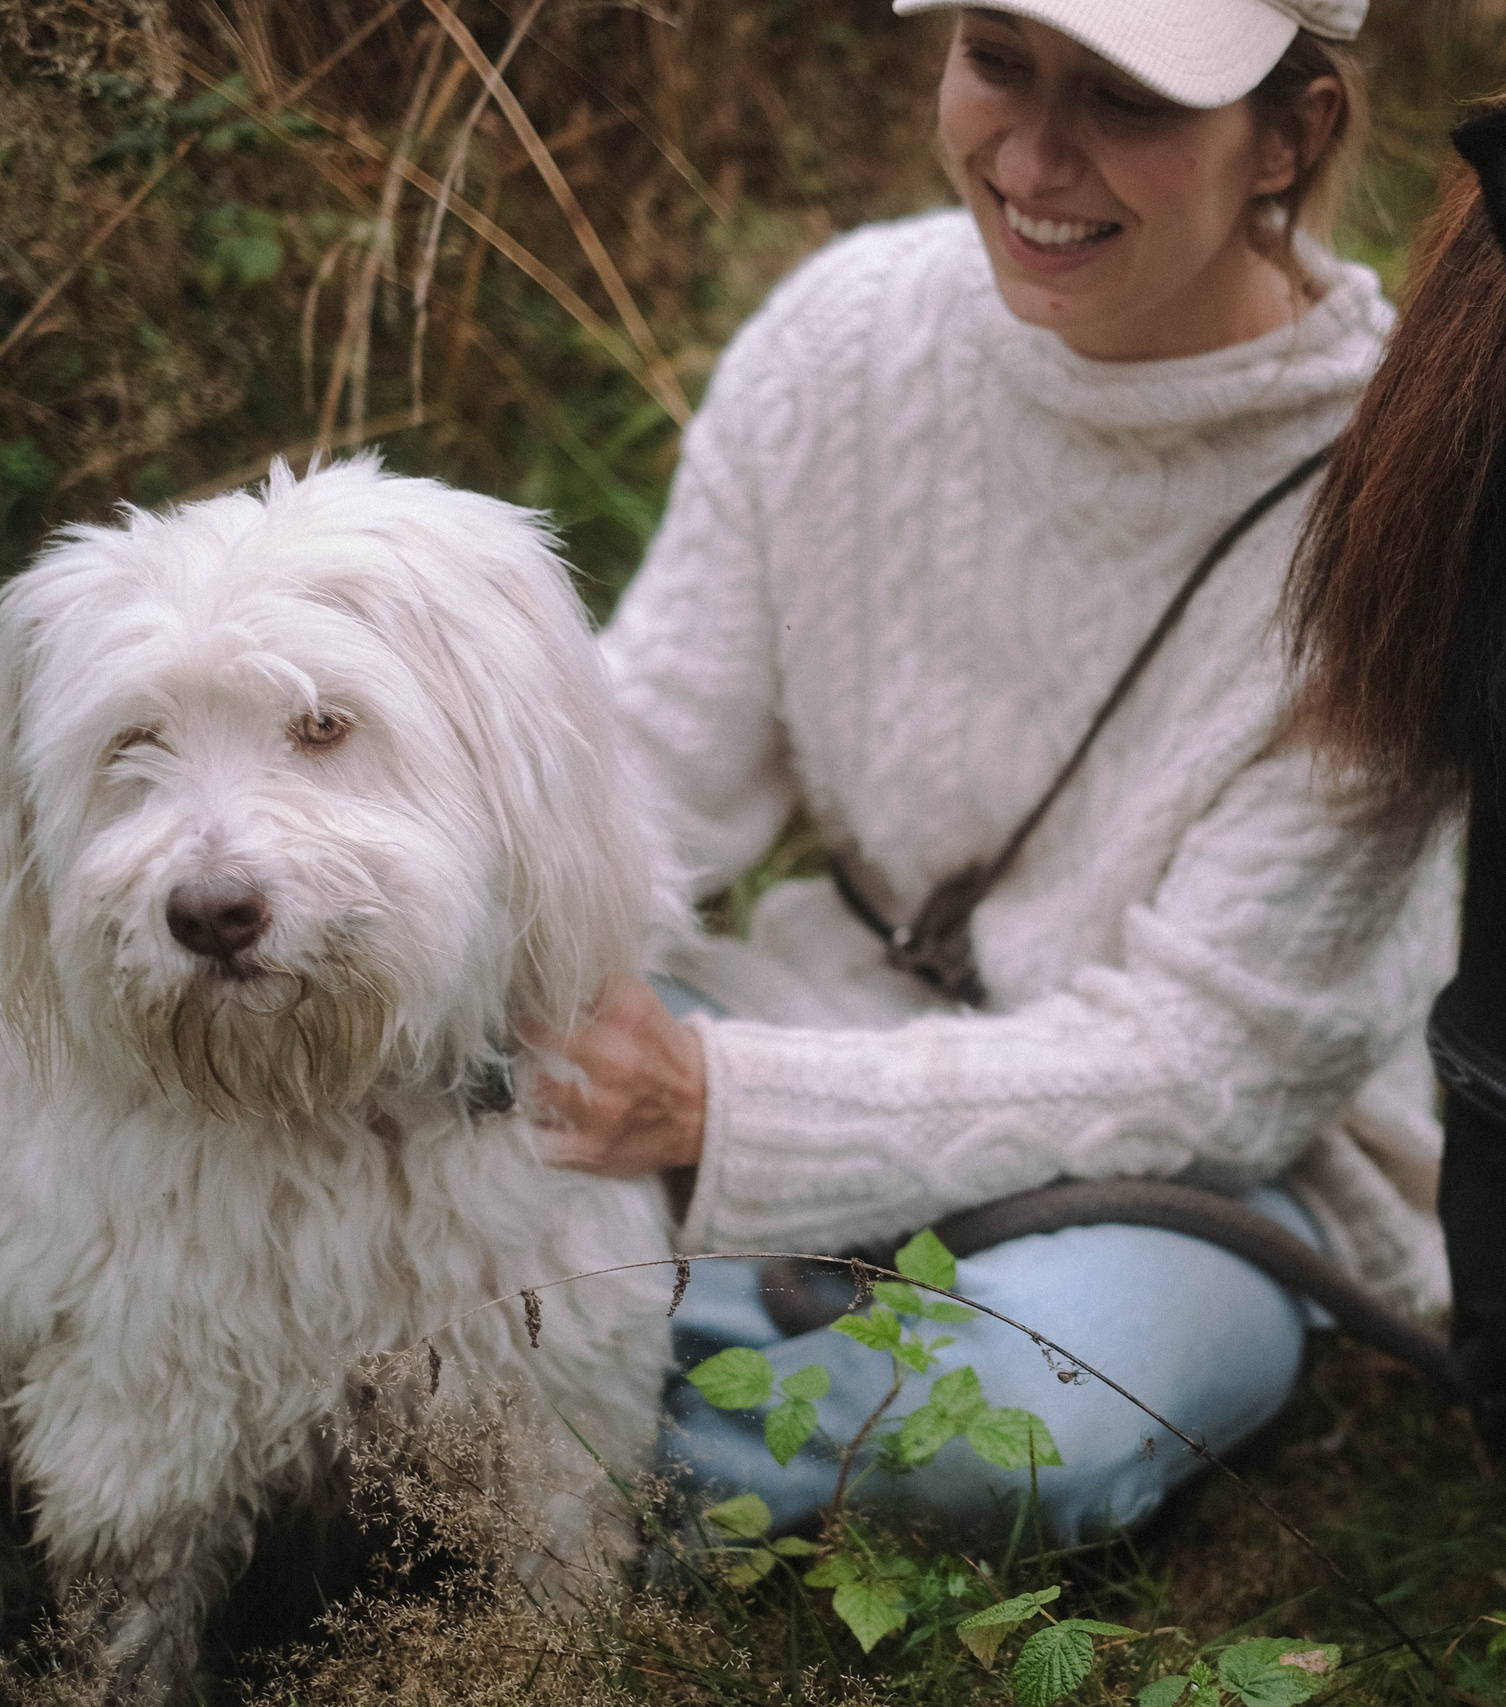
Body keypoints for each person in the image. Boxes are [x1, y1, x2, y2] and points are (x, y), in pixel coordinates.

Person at [523, 0, 1457, 1542]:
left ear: (1288, 137)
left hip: (1203, 1177)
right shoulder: (848, 338)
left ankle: (506, 1449)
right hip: (804, 1020)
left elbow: (1208, 1064)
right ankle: (607, 1399)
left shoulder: (1399, 502)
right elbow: (642, 786)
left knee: (1024, 1427)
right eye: (998, 61)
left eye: (1128, 99)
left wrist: (715, 1107)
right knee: (427, 1093)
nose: (1030, 158)